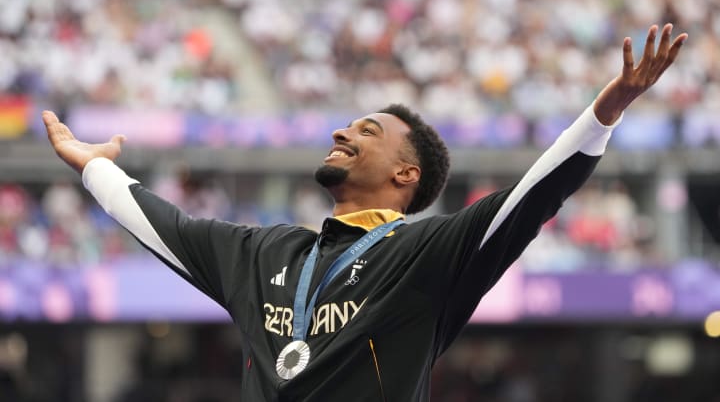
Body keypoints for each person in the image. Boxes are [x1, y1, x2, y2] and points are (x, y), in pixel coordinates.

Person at [42, 24, 687, 401]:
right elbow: (163, 226)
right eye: (347, 125)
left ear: (408, 174)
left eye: (368, 131)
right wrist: (93, 164)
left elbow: (529, 199)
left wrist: (604, 114)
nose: (344, 132)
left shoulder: (428, 255)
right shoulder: (266, 254)